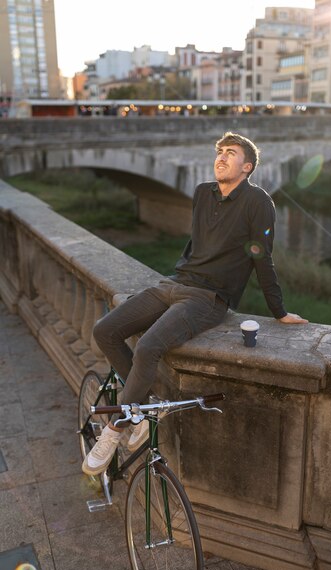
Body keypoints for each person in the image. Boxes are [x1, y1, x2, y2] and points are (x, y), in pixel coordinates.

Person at [82, 131, 308, 476]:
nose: (221, 157)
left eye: (230, 153)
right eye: (219, 151)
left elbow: (262, 257)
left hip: (209, 298)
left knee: (147, 347)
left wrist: (278, 311)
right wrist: (182, 271)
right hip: (175, 283)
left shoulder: (259, 203)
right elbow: (197, 242)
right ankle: (141, 409)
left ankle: (117, 427)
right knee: (106, 329)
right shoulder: (203, 193)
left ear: (246, 166)